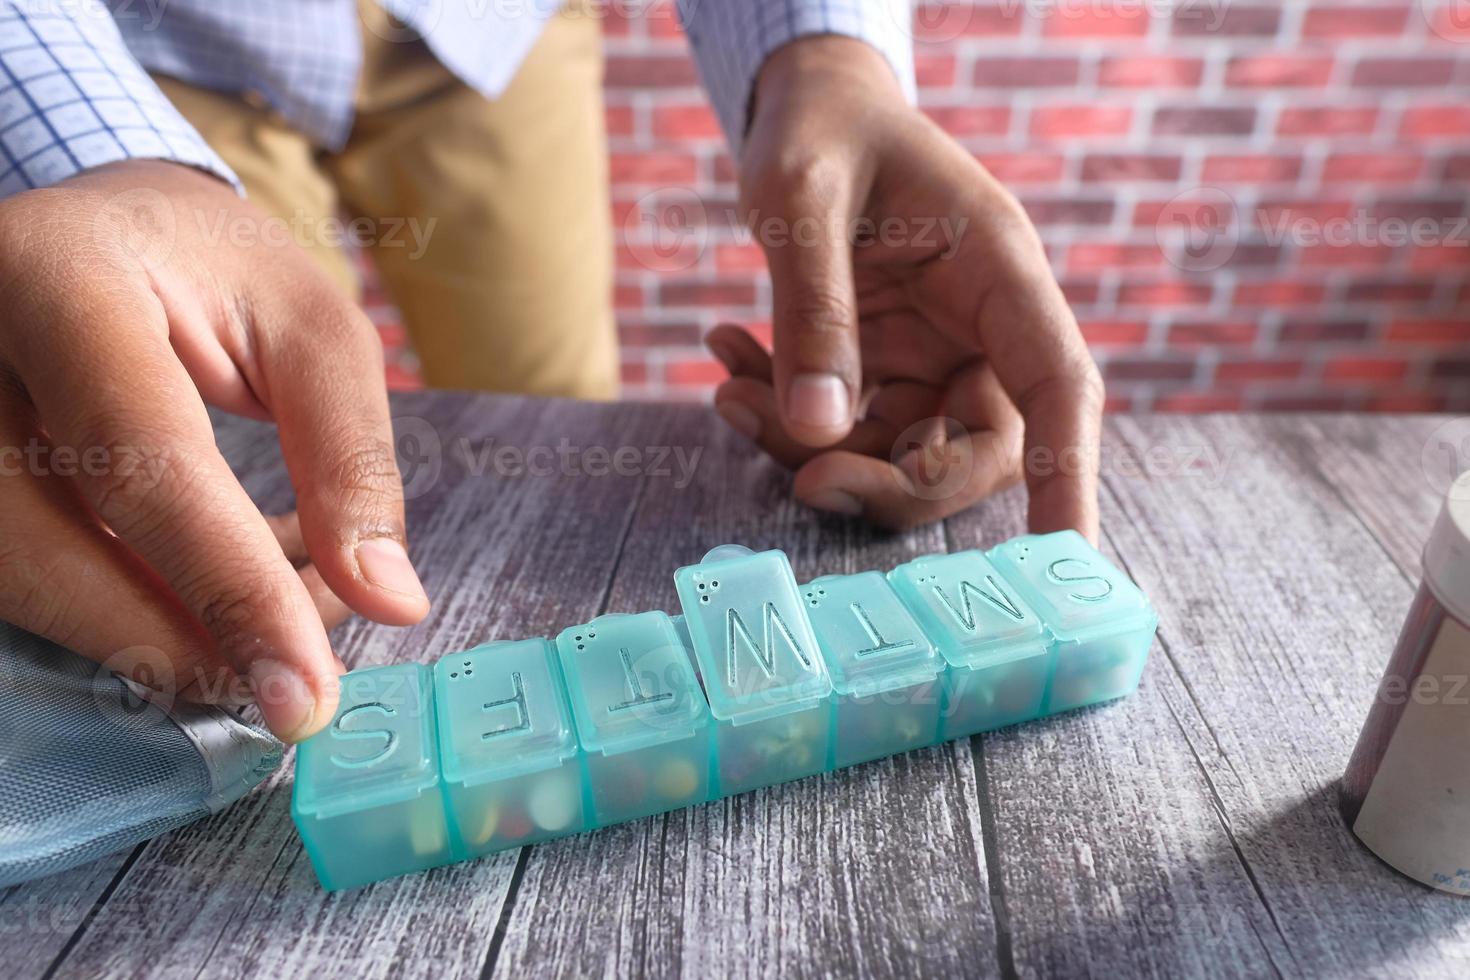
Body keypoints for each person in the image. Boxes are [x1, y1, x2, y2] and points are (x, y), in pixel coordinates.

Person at [0, 0, 1104, 743]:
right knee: (199, 452)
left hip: (489, 34)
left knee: (565, 418)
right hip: (145, 43)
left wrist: (825, 49)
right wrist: (86, 153)